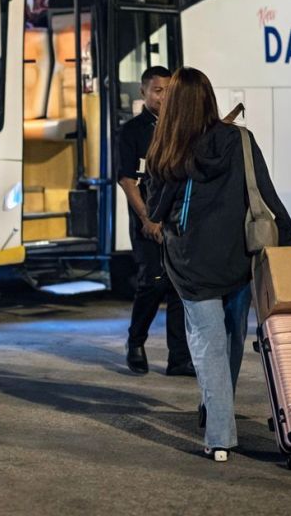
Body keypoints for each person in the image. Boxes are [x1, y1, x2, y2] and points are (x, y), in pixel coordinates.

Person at [145, 67, 291, 462]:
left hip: (191, 265)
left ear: (173, 104)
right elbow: (265, 195)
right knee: (229, 339)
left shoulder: (169, 146)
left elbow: (157, 211)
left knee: (208, 345)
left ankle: (220, 437)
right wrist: (288, 239)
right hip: (237, 260)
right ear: (210, 98)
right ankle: (216, 411)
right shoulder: (239, 140)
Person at [116, 66, 193, 376]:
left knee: (178, 285)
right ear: (143, 93)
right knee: (152, 282)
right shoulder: (132, 131)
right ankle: (135, 341)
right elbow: (127, 180)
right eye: (158, 90)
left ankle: (179, 358)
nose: (165, 96)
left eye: (169, 90)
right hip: (148, 220)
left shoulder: (181, 128)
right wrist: (148, 219)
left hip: (177, 220)